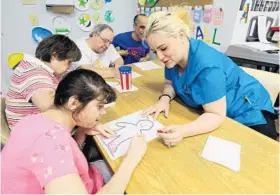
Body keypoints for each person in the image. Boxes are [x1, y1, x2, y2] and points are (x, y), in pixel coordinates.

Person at [142, 8, 278, 144]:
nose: (159, 57)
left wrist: (183, 131)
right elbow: (170, 83)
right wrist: (165, 98)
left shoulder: (207, 66)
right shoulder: (174, 56)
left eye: (163, 48)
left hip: (249, 113)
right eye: (155, 51)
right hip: (216, 113)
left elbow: (216, 115)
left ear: (181, 35)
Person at [1, 69, 147, 194]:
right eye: (99, 106)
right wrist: (132, 157)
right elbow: (54, 154)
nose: (103, 113)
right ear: (73, 103)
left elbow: (65, 156)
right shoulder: (49, 142)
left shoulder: (34, 120)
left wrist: (81, 132)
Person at [5, 34, 81, 128]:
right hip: (28, 131)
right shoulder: (34, 73)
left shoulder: (42, 68)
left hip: (34, 123)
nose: (69, 66)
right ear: (54, 56)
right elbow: (52, 109)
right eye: (68, 62)